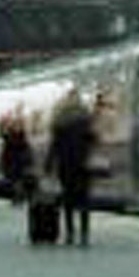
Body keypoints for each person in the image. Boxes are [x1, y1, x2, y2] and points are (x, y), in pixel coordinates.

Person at [45, 89, 97, 246]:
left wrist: (48, 165)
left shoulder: (59, 121)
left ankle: (69, 233)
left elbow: (54, 145)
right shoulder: (86, 119)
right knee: (84, 200)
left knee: (68, 199)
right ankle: (85, 234)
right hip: (83, 165)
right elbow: (93, 139)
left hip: (65, 165)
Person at [0, 117, 34, 203]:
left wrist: (27, 160)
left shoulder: (23, 137)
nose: (17, 127)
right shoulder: (9, 137)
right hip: (11, 162)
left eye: (19, 125)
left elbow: (27, 149)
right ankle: (16, 196)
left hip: (19, 162)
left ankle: (18, 196)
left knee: (19, 180)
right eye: (16, 125)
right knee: (14, 180)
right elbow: (5, 151)